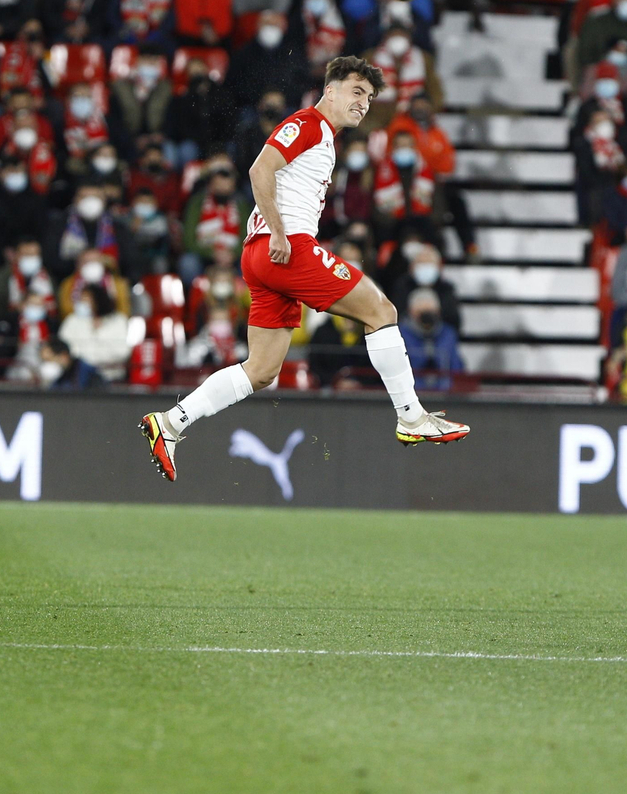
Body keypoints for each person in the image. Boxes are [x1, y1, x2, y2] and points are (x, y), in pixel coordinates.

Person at [139, 56, 468, 482]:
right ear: (329, 90)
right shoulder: (308, 124)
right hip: (285, 247)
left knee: (261, 370)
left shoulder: (326, 138)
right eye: (355, 91)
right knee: (382, 311)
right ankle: (412, 418)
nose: (363, 103)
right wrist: (279, 232)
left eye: (368, 97)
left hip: (261, 256)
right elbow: (260, 168)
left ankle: (170, 423)